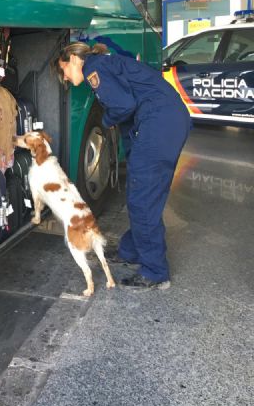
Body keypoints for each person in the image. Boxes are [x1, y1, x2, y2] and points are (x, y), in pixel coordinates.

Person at [54, 42, 191, 290]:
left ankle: (155, 271)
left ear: (74, 59)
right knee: (139, 193)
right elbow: (130, 109)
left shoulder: (95, 69)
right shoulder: (104, 64)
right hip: (164, 121)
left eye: (63, 69)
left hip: (160, 124)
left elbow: (123, 106)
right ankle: (131, 250)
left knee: (143, 197)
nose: (64, 76)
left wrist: (106, 121)